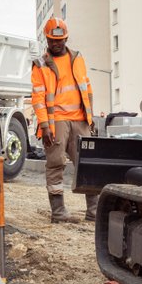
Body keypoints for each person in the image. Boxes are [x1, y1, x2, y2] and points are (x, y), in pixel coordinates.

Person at [31, 17, 97, 222]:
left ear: (66, 38)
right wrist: (45, 126)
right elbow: (38, 99)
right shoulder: (40, 65)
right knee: (55, 164)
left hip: (80, 120)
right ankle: (58, 212)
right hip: (56, 121)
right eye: (51, 40)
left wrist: (90, 117)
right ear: (47, 40)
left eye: (59, 40)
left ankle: (94, 212)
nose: (55, 44)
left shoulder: (78, 59)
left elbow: (87, 89)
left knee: (88, 164)